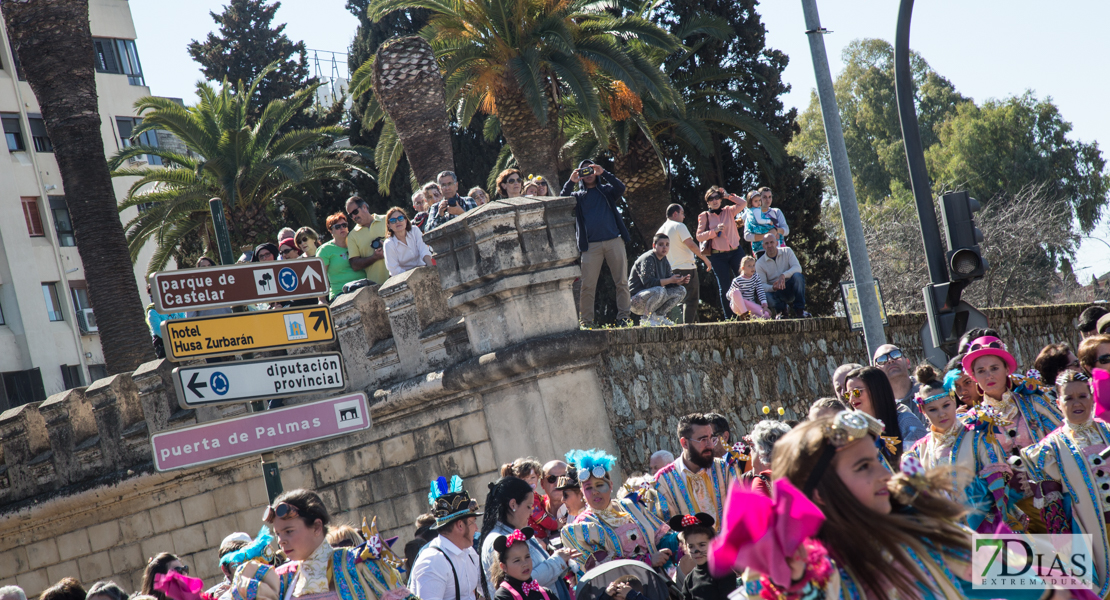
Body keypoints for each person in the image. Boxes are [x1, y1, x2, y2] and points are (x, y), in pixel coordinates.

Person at [731, 411, 1052, 600]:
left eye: (877, 461)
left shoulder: (927, 532)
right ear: (817, 493)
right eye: (862, 467)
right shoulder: (780, 573)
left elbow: (1036, 587)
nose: (886, 475)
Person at [905, 364, 1026, 533]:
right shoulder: (919, 451)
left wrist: (963, 507)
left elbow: (997, 479)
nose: (941, 414)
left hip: (986, 527)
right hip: (946, 534)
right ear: (922, 411)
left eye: (946, 405)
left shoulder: (979, 435)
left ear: (953, 400)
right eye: (933, 409)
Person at [1020, 371, 1110, 597]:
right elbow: (1052, 505)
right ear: (1058, 403)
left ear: (1092, 397)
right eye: (1069, 398)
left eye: (1082, 396)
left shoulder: (1108, 431)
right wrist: (1065, 544)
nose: (1077, 403)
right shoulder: (1049, 449)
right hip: (1089, 533)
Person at [230, 488, 412, 600]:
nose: (281, 540)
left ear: (317, 526)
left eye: (289, 531)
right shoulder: (280, 580)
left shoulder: (360, 565)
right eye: (277, 533)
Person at [559, 449, 676, 570]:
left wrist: (681, 538)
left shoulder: (631, 506)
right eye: (588, 488)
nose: (595, 492)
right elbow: (603, 568)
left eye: (599, 485)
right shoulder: (582, 527)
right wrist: (648, 561)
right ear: (582, 492)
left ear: (610, 486)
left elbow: (660, 538)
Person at [478, 477, 576, 600]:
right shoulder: (498, 540)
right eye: (529, 507)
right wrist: (557, 561)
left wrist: (563, 559)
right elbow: (520, 582)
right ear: (513, 504)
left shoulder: (519, 532)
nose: (531, 513)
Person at [963, 335, 1063, 455]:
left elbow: (1063, 436)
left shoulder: (1034, 403)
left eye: (994, 368)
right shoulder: (973, 419)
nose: (989, 376)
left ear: (1006, 369)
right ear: (974, 376)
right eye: (981, 371)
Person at [563, 159, 632, 327]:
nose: (587, 174)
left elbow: (621, 188)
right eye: (583, 171)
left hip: (614, 240)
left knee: (622, 282)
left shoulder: (606, 190)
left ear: (595, 172)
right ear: (579, 174)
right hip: (590, 247)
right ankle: (586, 322)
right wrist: (570, 182)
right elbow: (562, 201)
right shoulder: (577, 197)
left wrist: (604, 173)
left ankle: (624, 318)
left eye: (590, 170)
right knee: (587, 286)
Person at [652, 414, 739, 528]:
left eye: (712, 439)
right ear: (684, 443)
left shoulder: (726, 469)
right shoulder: (663, 481)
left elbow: (743, 511)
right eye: (703, 439)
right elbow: (663, 530)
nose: (710, 445)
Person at [410, 476, 482, 600]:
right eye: (472, 522)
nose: (476, 528)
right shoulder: (433, 561)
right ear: (460, 525)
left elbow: (488, 589)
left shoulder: (469, 552)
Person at [844, 366, 926, 462]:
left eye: (857, 392)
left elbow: (921, 463)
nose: (851, 399)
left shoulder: (906, 422)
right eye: (848, 394)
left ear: (876, 391)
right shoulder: (853, 433)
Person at [656, 204, 711, 325]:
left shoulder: (660, 231)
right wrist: (705, 259)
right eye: (682, 213)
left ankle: (684, 327)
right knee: (691, 300)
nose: (684, 216)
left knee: (679, 301)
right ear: (675, 214)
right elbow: (691, 244)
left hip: (670, 272)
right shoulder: (679, 226)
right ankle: (687, 329)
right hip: (686, 268)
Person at [695, 187, 744, 318]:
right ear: (708, 202)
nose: (715, 200)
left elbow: (743, 203)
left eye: (717, 197)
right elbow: (699, 236)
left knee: (745, 281)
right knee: (725, 287)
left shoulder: (729, 211)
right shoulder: (704, 216)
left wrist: (728, 195)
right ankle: (730, 318)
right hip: (718, 255)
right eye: (711, 199)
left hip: (736, 252)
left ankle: (749, 314)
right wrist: (714, 231)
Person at [668, 513, 735, 600]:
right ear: (686, 548)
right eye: (691, 546)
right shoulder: (689, 579)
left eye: (702, 545)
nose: (696, 551)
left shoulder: (723, 572)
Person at [628, 233, 688, 326]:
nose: (664, 247)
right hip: (635, 301)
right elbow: (649, 283)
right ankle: (646, 319)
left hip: (655, 298)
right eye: (661, 244)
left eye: (667, 245)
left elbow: (669, 282)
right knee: (660, 290)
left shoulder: (664, 260)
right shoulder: (648, 258)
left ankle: (659, 317)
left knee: (681, 290)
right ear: (654, 245)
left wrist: (679, 282)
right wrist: (670, 280)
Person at [754, 232, 809, 319]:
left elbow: (798, 268)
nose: (770, 245)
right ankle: (782, 311)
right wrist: (773, 287)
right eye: (767, 243)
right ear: (763, 246)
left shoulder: (787, 251)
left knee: (798, 276)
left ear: (776, 242)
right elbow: (761, 285)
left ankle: (800, 310)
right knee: (765, 295)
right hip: (775, 293)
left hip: (790, 287)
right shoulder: (759, 263)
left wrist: (783, 275)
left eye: (772, 242)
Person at [316, 213, 363, 302]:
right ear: (331, 231)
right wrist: (321, 300)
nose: (342, 228)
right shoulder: (325, 250)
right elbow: (319, 277)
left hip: (363, 288)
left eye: (344, 225)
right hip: (340, 294)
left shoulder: (356, 243)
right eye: (337, 227)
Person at [345, 196, 390, 286]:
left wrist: (388, 247)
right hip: (376, 286)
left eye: (355, 212)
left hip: (399, 276)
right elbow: (355, 265)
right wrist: (374, 257)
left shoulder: (387, 219)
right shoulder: (352, 236)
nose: (354, 216)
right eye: (350, 215)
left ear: (364, 207)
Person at [872, 344, 922, 420]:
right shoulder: (876, 408)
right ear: (876, 373)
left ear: (908, 363)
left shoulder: (930, 389)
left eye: (895, 354)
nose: (890, 360)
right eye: (882, 360)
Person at [383, 207, 435, 277]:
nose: (397, 222)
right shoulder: (388, 243)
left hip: (423, 269)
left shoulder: (415, 230)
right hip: (403, 277)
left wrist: (431, 269)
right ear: (388, 226)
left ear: (406, 220)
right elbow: (394, 269)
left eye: (400, 218)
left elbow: (424, 250)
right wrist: (413, 276)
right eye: (393, 220)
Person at [743, 187, 788, 256]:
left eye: (770, 197)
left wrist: (776, 230)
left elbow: (786, 231)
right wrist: (766, 236)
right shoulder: (750, 214)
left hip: (779, 250)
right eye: (764, 197)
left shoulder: (776, 212)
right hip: (760, 252)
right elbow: (747, 236)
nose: (768, 200)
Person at [205, 532, 250, 599]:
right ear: (225, 569)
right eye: (238, 565)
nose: (246, 568)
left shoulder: (268, 583)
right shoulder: (211, 596)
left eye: (250, 561)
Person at [537, 460, 568, 540]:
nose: (558, 483)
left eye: (563, 478)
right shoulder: (533, 510)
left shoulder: (579, 510)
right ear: (542, 483)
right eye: (551, 478)